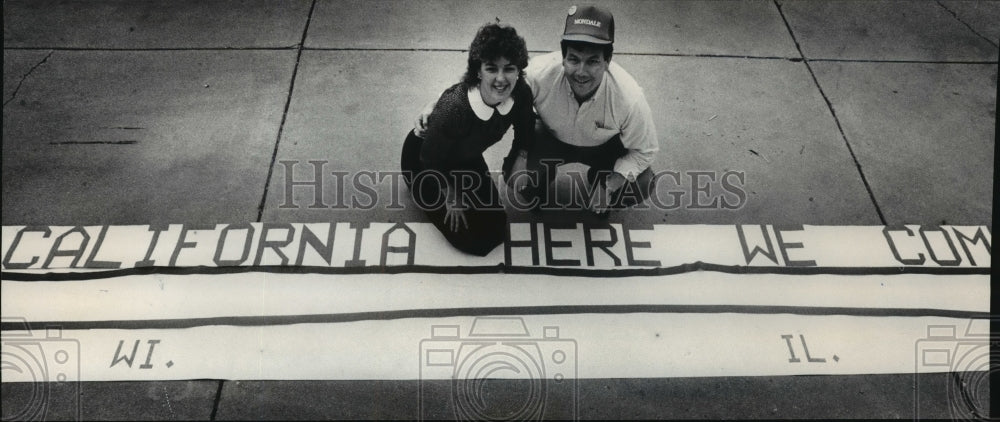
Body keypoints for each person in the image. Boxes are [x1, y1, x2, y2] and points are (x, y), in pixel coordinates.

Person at [417, 5, 659, 216]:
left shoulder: (630, 98)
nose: (581, 72)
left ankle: (600, 187)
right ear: (562, 57)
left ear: (608, 61)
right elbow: (489, 83)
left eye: (593, 61)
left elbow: (644, 151)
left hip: (604, 150)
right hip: (551, 140)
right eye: (574, 59)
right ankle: (539, 189)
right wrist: (438, 104)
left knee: (643, 182)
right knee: (517, 178)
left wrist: (611, 184)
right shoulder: (540, 73)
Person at [400, 23, 534, 256]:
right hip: (426, 163)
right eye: (492, 68)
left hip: (465, 157)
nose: (501, 79)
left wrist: (521, 156)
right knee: (473, 241)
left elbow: (526, 127)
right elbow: (429, 158)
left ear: (518, 70)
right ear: (478, 71)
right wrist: (451, 196)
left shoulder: (521, 92)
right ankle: (418, 189)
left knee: (495, 228)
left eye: (509, 69)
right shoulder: (455, 109)